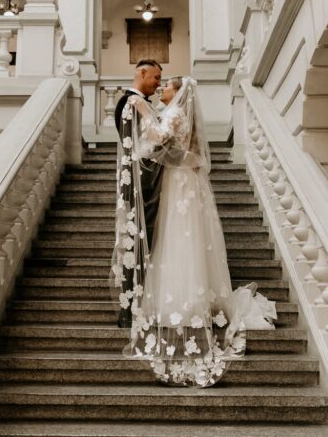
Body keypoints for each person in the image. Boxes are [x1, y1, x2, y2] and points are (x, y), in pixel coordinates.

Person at [111, 76, 276, 387]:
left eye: (167, 86)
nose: (162, 89)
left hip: (180, 182)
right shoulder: (180, 113)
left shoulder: (174, 113)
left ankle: (183, 300)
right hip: (184, 179)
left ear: (178, 92)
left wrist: (143, 111)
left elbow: (159, 137)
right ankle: (189, 295)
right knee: (183, 237)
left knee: (179, 236)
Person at [113, 59, 165, 328]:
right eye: (155, 77)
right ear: (142, 73)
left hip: (146, 180)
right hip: (140, 182)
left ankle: (143, 303)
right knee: (136, 242)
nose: (158, 83)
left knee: (146, 242)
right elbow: (132, 147)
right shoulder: (130, 102)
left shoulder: (141, 103)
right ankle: (131, 309)